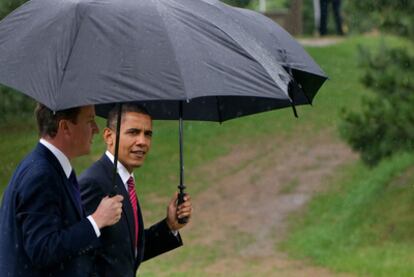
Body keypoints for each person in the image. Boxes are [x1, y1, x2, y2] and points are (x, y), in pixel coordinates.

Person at [0, 103, 125, 277]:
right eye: (90, 121)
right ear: (65, 127)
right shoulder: (42, 175)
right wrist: (96, 220)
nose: (96, 128)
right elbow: (42, 250)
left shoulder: (49, 167)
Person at [79, 104, 193, 277]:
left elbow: (125, 252)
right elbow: (76, 256)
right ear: (109, 137)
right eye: (133, 132)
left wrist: (170, 226)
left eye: (148, 134)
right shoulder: (94, 183)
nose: (142, 141)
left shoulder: (125, 181)